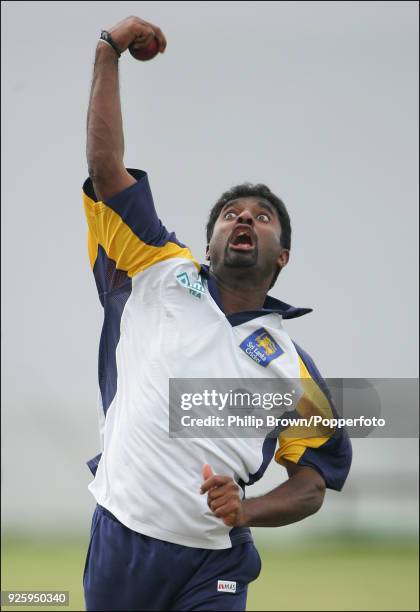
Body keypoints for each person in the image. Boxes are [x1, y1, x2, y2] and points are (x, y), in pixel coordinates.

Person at [82, 15, 352, 612]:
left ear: (282, 255)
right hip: (122, 538)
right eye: (231, 213)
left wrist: (246, 510)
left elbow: (314, 482)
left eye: (261, 215)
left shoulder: (292, 370)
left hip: (215, 562)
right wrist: (108, 52)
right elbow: (107, 171)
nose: (244, 219)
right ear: (208, 246)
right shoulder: (157, 269)